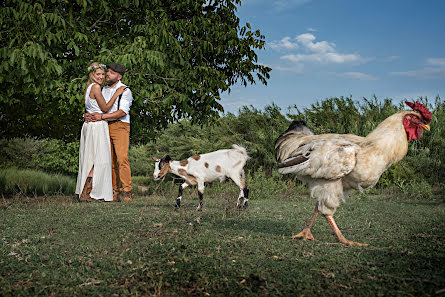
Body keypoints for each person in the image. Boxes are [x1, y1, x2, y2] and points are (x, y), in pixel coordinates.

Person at [75, 62, 127, 202]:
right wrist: (116, 94)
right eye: (98, 74)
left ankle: (88, 192)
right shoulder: (97, 87)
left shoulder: (88, 87)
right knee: (97, 159)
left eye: (103, 74)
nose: (101, 77)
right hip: (97, 126)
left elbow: (90, 108)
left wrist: (85, 115)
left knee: (91, 158)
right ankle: (88, 192)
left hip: (89, 125)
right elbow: (104, 108)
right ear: (92, 74)